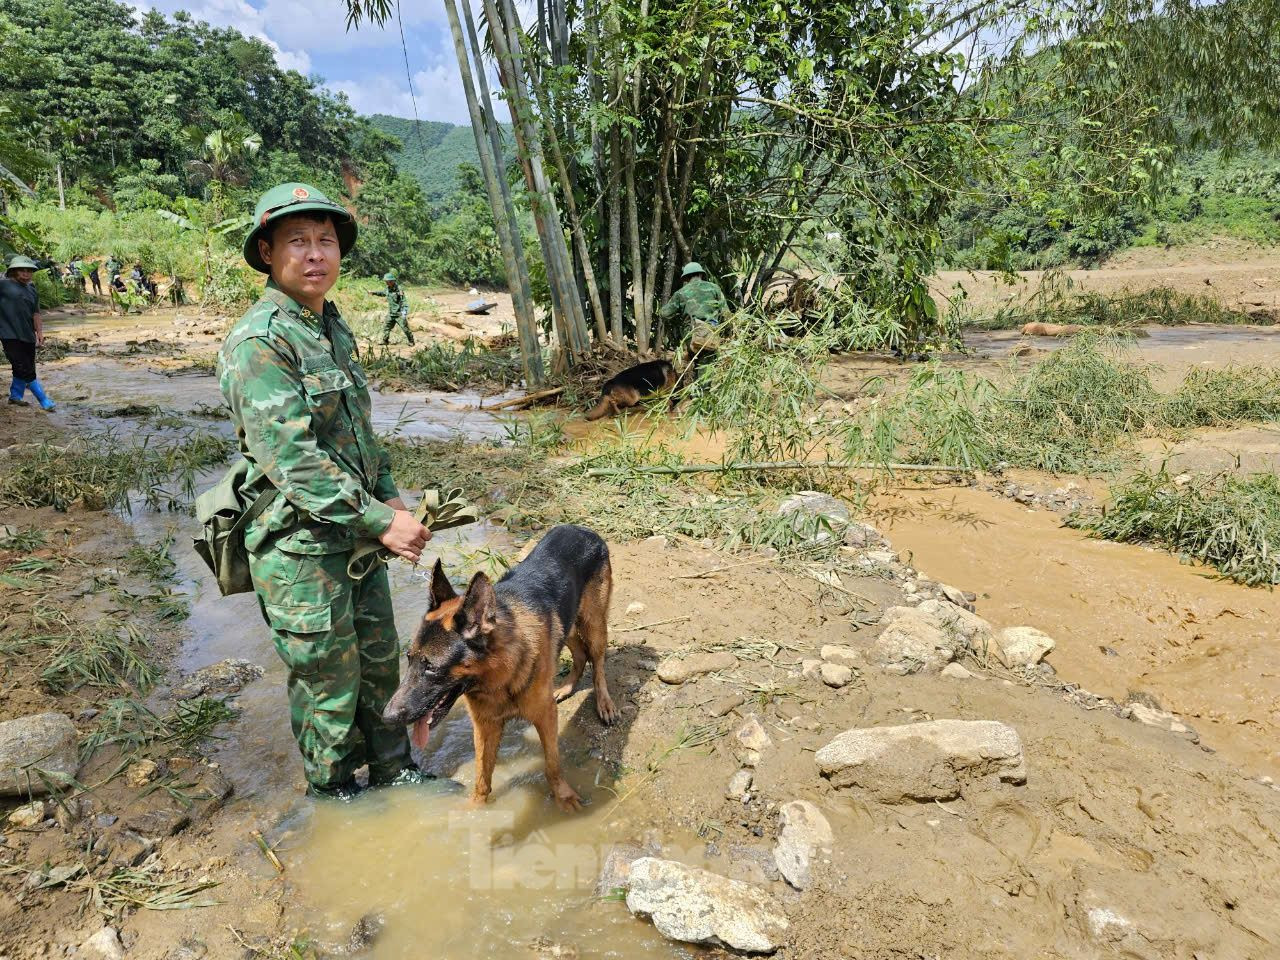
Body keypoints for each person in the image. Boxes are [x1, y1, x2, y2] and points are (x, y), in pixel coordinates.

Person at [219, 182, 430, 799]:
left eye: (326, 241)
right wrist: (381, 521)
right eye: (298, 241)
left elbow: (358, 433)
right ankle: (336, 801)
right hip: (301, 552)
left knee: (380, 667)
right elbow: (294, 461)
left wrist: (389, 497)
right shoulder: (260, 342)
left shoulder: (330, 326)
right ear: (267, 253)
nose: (315, 254)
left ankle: (397, 776)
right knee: (327, 687)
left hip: (356, 539)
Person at [0, 256, 55, 411]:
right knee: (25, 368)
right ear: (14, 271)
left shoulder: (32, 290)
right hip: (8, 334)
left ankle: (15, 397)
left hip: (28, 335)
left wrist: (39, 332)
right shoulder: (3, 285)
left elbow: (36, 314)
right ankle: (43, 399)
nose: (26, 274)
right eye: (22, 271)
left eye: (29, 271)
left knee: (25, 366)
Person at [658, 261, 729, 360]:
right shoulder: (714, 288)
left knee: (694, 361)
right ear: (701, 274)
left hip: (692, 335)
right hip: (712, 333)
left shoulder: (681, 293)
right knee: (709, 361)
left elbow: (664, 314)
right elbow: (726, 313)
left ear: (686, 278)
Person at [371, 270, 414, 346]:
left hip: (399, 314)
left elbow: (404, 301)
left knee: (405, 328)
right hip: (391, 314)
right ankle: (385, 341)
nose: (387, 283)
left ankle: (411, 341)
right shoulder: (387, 289)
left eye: (388, 281)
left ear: (392, 281)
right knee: (386, 327)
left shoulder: (399, 290)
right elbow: (382, 293)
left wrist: (404, 313)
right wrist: (373, 293)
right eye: (386, 282)